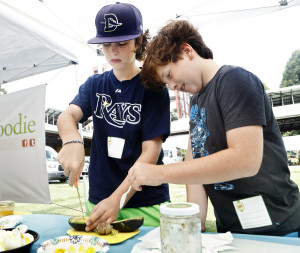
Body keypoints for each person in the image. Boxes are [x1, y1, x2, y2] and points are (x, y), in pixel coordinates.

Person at [128, 20, 300, 237]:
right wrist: (195, 221)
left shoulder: (235, 81)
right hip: (230, 230)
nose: (172, 87)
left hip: (277, 230)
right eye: (166, 83)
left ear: (187, 51)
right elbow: (194, 162)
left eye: (169, 75)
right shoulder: (196, 101)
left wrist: (160, 173)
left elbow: (245, 160)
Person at [57, 2, 170, 231]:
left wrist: (118, 200)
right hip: (99, 200)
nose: (113, 51)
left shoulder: (153, 87)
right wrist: (72, 140)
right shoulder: (94, 84)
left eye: (122, 43)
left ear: (139, 41)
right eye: (106, 44)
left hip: (146, 202)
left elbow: (151, 152)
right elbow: (67, 116)